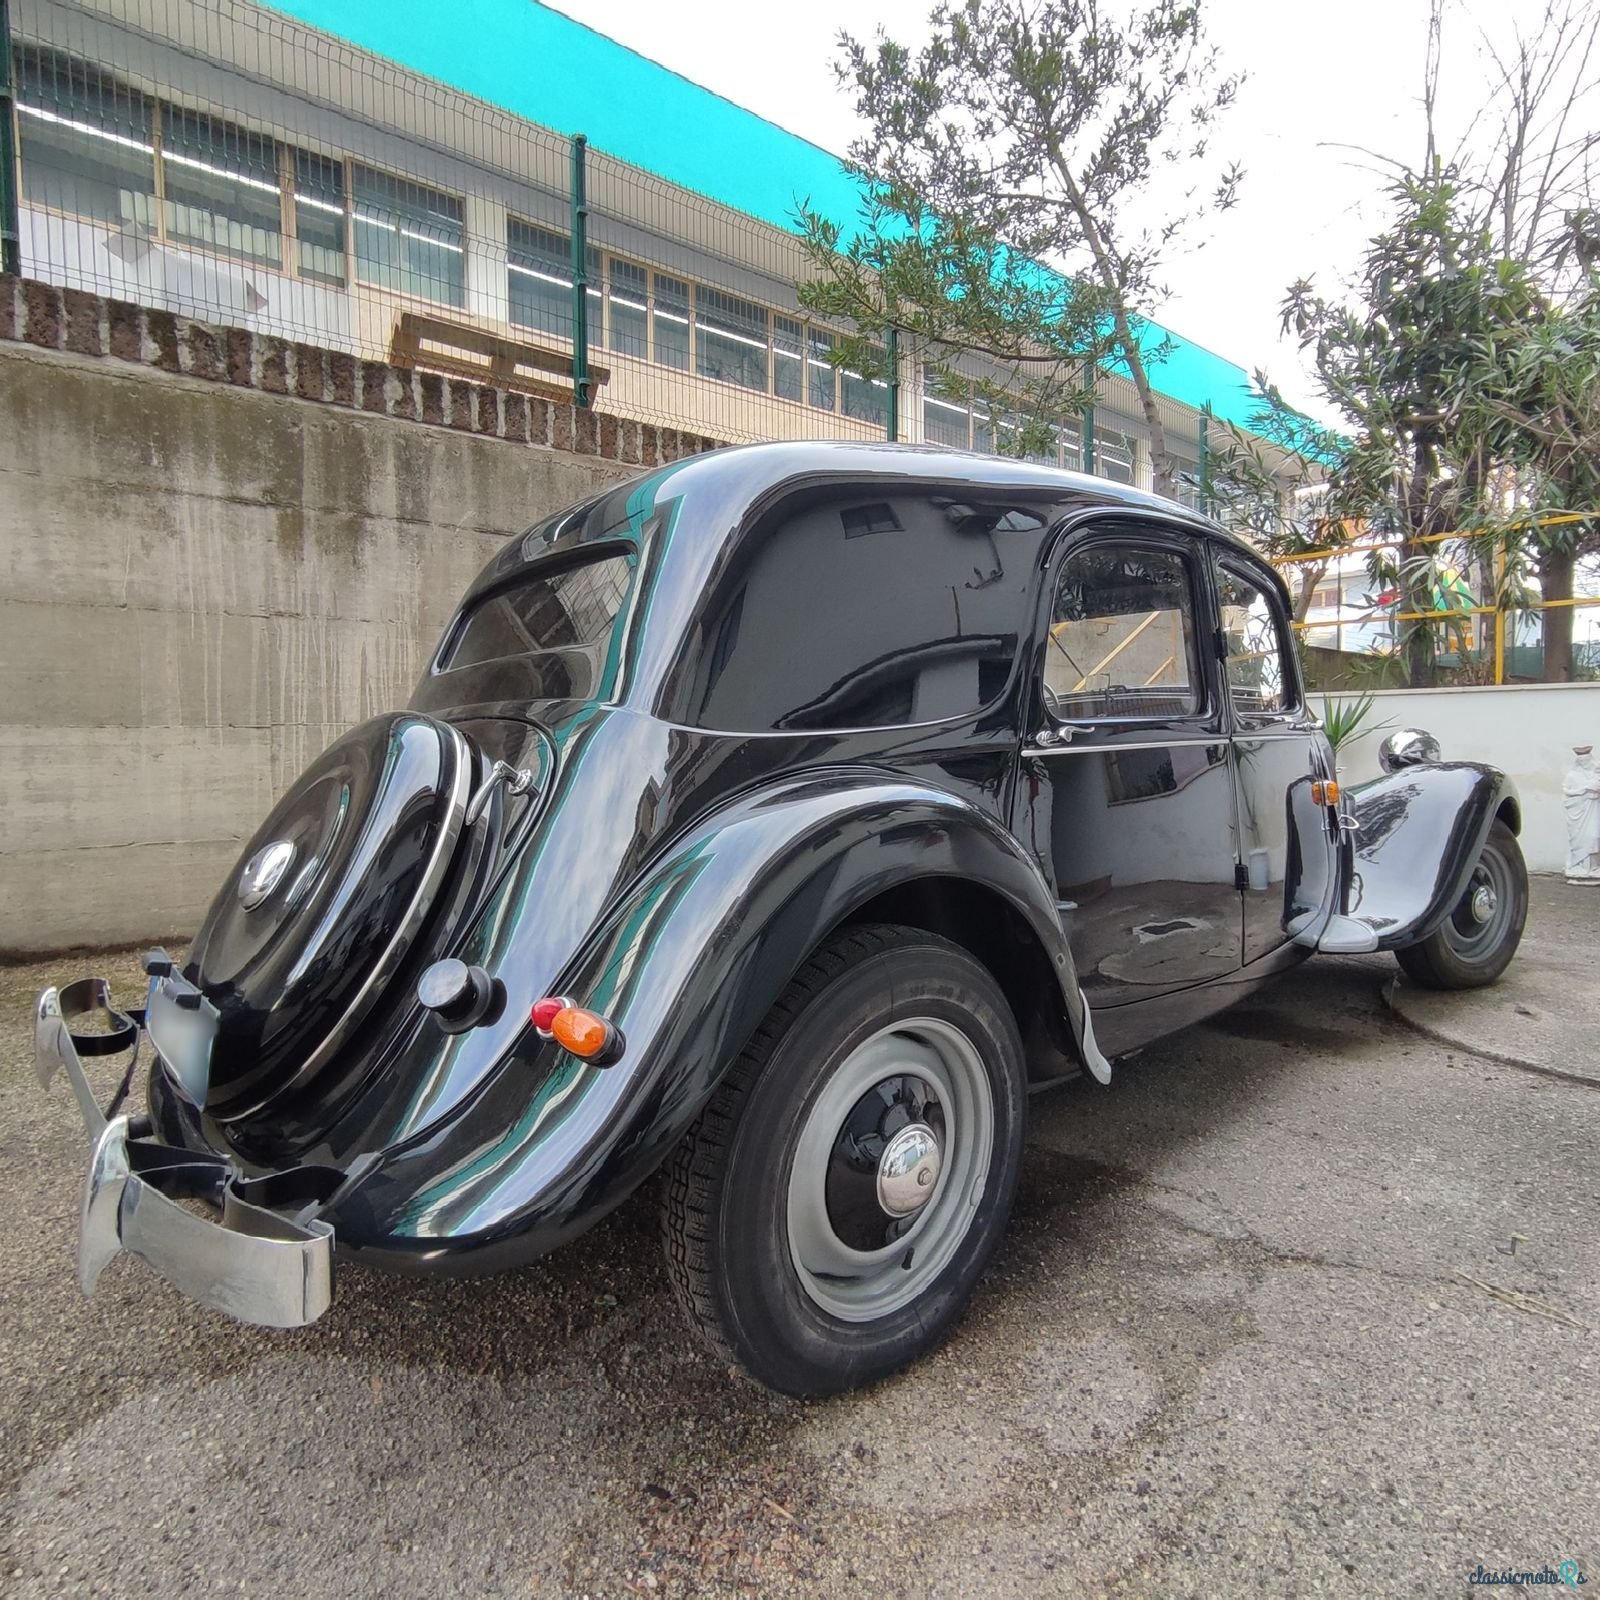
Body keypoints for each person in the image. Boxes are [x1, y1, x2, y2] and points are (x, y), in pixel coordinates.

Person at [1562, 744, 1600, 882]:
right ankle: (1577, 866)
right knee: (1580, 840)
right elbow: (1567, 791)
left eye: (1587, 761)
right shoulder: (1572, 775)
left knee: (1594, 837)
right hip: (1577, 812)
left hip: (1593, 809)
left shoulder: (1596, 774)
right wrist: (1584, 790)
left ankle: (1593, 867)